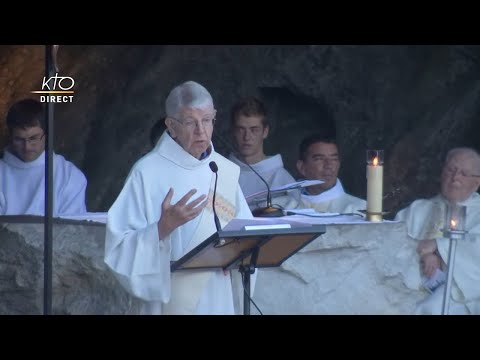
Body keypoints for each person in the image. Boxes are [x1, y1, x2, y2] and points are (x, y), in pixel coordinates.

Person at [104, 81, 254, 315]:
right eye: (190, 122)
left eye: (207, 120)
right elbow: (118, 248)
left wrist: (235, 257)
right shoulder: (146, 172)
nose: (201, 131)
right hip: (169, 301)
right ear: (171, 126)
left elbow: (246, 235)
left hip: (216, 295)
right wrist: (162, 228)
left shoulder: (223, 170)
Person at [395, 147, 480, 315]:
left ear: (476, 183)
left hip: (459, 291)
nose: (455, 177)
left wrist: (438, 247)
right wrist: (425, 255)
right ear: (442, 172)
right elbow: (392, 241)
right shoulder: (417, 209)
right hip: (407, 282)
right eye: (451, 170)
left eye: (463, 174)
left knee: (431, 308)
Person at [0, 98, 87, 216]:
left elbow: (73, 229)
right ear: (10, 136)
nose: (27, 147)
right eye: (19, 139)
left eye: (33, 138)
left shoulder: (69, 175)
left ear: (46, 134)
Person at [227, 96, 296, 209]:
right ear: (233, 131)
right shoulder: (221, 173)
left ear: (265, 132)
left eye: (254, 130)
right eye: (241, 129)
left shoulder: (281, 177)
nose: (247, 137)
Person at [284, 134, 366, 214]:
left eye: (334, 159)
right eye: (319, 159)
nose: (328, 165)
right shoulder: (281, 206)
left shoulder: (358, 209)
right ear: (302, 167)